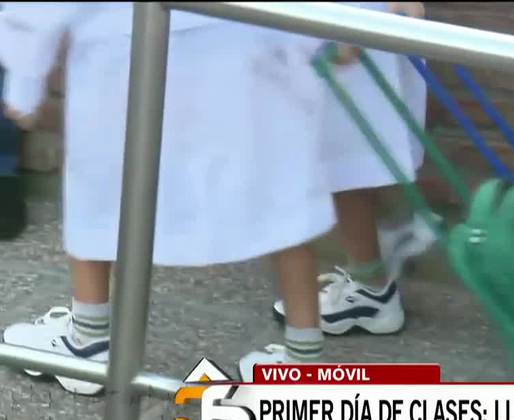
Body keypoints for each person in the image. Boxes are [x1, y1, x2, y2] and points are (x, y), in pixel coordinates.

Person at [0, 3, 359, 392]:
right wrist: (342, 22)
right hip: (245, 43)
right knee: (279, 197)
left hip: (126, 43)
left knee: (101, 188)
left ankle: (89, 339)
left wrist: (25, 73)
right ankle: (302, 357)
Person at [265, 1, 432, 344]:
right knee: (343, 161)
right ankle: (370, 279)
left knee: (342, 160)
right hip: (343, 24)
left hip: (344, 28)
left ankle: (372, 289)